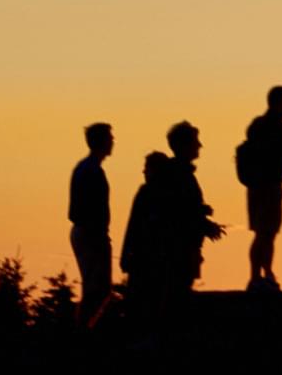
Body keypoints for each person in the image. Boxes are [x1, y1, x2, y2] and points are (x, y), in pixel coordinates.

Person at [244, 85, 282, 292]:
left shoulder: (256, 125)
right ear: (279, 103)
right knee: (266, 233)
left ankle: (258, 275)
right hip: (270, 187)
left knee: (262, 232)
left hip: (254, 187)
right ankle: (264, 275)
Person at [164, 121, 225, 298]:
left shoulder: (175, 173)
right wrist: (205, 224)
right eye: (195, 141)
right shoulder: (181, 175)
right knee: (178, 292)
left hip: (182, 247)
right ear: (184, 145)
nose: (200, 145)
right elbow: (184, 213)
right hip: (181, 248)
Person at [68, 122, 114, 328]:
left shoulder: (85, 168)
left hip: (88, 232)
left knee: (96, 288)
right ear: (101, 141)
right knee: (98, 289)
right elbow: (82, 209)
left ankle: (85, 328)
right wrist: (98, 234)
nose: (113, 141)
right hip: (91, 233)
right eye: (110, 137)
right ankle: (83, 330)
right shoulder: (91, 170)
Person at [120, 151, 172, 327]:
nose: (143, 172)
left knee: (144, 301)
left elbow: (133, 225)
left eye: (147, 168)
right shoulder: (163, 193)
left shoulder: (150, 193)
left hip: (147, 257)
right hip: (148, 257)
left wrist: (126, 254)